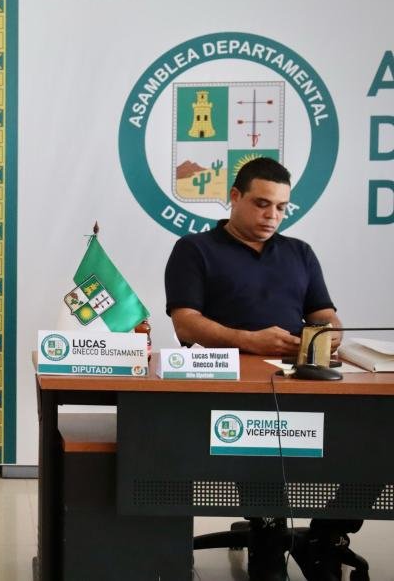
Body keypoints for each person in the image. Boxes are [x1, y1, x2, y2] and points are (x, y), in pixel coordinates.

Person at [164, 157, 358, 581]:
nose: (272, 215)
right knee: (266, 443)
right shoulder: (195, 249)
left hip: (299, 379)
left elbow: (325, 313)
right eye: (262, 203)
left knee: (370, 438)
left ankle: (329, 535)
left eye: (282, 207)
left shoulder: (299, 253)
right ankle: (269, 539)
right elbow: (186, 321)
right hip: (230, 387)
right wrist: (249, 340)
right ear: (234, 197)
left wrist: (327, 335)